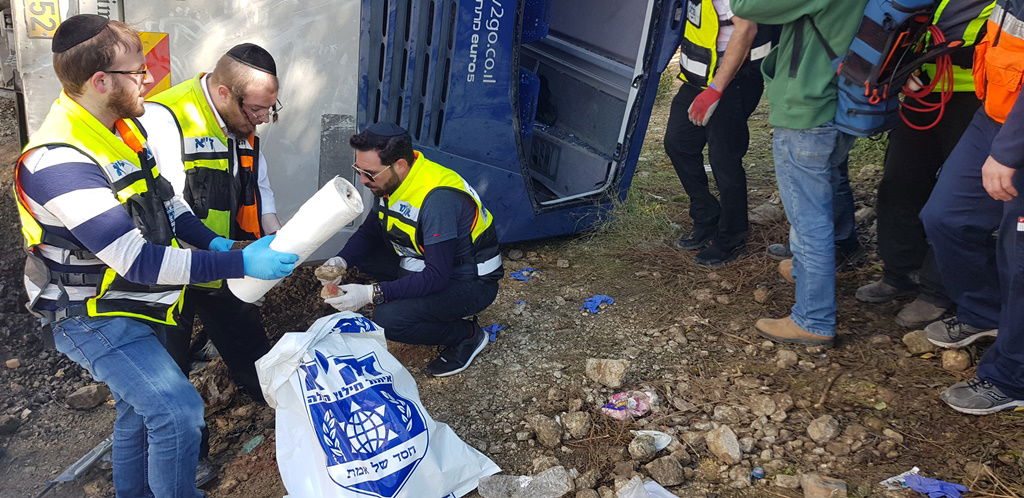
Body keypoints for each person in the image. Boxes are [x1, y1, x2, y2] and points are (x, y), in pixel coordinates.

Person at [13, 15, 297, 496]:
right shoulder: (57, 159)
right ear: (101, 81)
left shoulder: (124, 133)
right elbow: (137, 259)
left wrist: (218, 243)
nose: (149, 79)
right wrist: (240, 264)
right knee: (177, 410)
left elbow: (172, 206)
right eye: (137, 71)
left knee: (137, 411)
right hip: (87, 314)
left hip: (131, 303)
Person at [136, 41, 284, 486]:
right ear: (223, 93)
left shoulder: (242, 122)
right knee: (170, 368)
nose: (263, 118)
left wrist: (277, 239)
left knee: (248, 341)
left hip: (220, 261)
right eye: (258, 108)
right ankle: (187, 460)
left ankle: (279, 408)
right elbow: (169, 207)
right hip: (170, 271)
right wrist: (220, 255)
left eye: (270, 109)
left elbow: (260, 183)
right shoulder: (167, 118)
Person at [731, 0, 869, 347]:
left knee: (809, 222)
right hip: (845, 99)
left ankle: (813, 319)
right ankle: (813, 270)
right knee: (831, 188)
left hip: (809, 108)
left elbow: (747, 6)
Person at [317, 122, 503, 377]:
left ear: (400, 165)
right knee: (366, 257)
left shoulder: (437, 199)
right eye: (358, 169)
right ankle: (409, 298)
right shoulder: (391, 180)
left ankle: (467, 335)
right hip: (430, 260)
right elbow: (371, 230)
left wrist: (372, 293)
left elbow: (437, 276)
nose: (362, 179)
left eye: (369, 173)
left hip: (470, 281)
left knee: (388, 319)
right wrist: (341, 261)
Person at [855, 0, 995, 329]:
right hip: (926, 90)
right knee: (899, 182)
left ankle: (937, 290)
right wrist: (907, 66)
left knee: (952, 198)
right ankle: (900, 270)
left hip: (977, 98)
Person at [926, 0, 1024, 414]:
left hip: (1014, 133)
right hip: (994, 114)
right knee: (945, 216)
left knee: (1019, 259)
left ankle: (1012, 378)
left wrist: (1008, 151)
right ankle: (984, 310)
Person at [664, 0, 770, 266]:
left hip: (734, 82)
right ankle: (706, 215)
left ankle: (731, 237)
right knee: (678, 144)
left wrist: (715, 90)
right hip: (697, 81)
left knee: (724, 159)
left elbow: (746, 30)